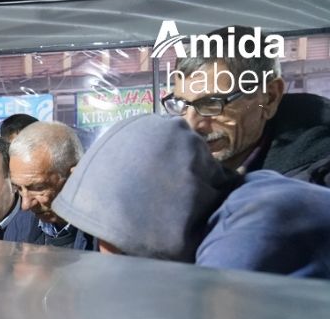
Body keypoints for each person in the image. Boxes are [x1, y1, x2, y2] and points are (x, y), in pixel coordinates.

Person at [53, 114, 330, 278]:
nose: (103, 251)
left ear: (161, 206)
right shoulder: (245, 196)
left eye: (114, 234)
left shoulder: (251, 229)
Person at [164, 25, 330, 185]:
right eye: (181, 103)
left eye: (211, 103)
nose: (191, 125)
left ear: (269, 97)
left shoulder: (317, 182)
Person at [7, 121, 94, 249]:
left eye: (38, 188)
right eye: (19, 188)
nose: (25, 205)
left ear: (75, 176)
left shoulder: (110, 231)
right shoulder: (19, 225)